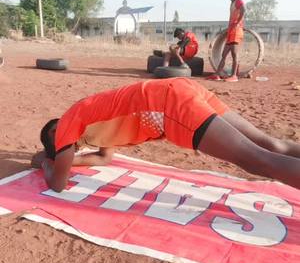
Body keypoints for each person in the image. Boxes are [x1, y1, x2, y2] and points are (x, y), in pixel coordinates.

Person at [32, 77, 300, 192]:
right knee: (269, 144)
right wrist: (63, 159)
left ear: (55, 134)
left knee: (256, 159)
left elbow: (57, 184)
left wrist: (47, 162)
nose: (72, 151)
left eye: (65, 149)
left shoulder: (67, 125)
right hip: (179, 89)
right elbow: (104, 160)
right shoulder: (88, 126)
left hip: (166, 105)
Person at [207, 0, 245, 82]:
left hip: (236, 31)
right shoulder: (232, 3)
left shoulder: (238, 1)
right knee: (224, 54)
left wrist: (237, 22)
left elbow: (244, 9)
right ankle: (217, 74)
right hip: (231, 31)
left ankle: (234, 76)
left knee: (234, 54)